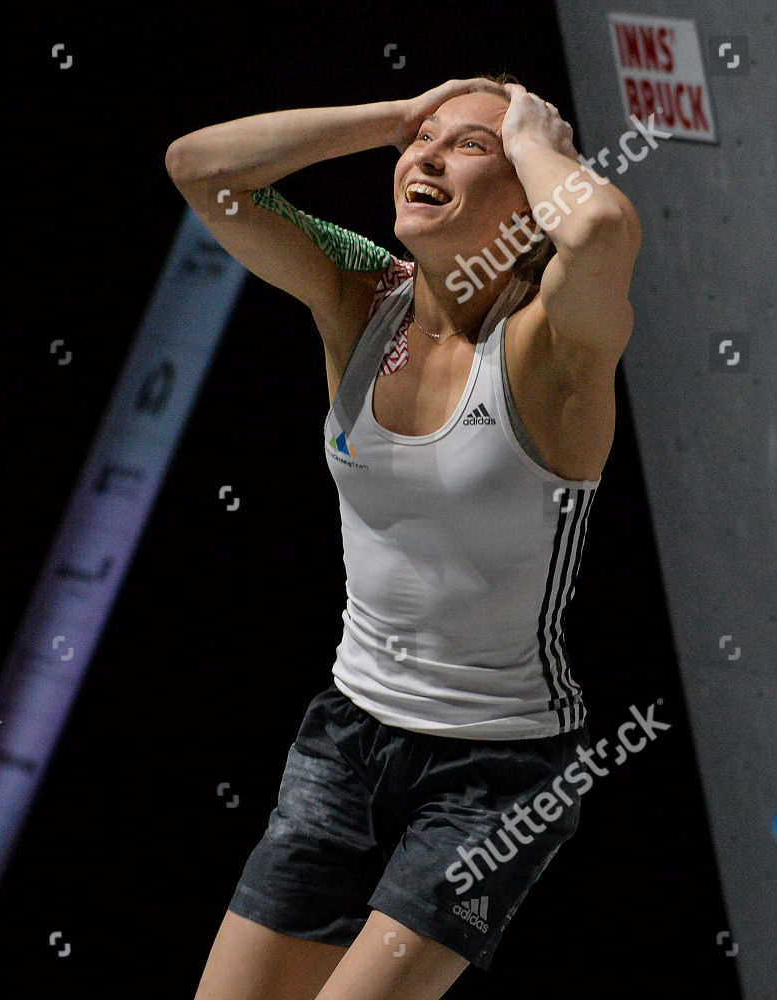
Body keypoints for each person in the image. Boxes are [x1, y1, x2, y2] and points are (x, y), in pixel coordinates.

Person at [165, 72, 642, 1000]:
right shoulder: (358, 296)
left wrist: (539, 137)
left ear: (529, 199)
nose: (424, 157)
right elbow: (200, 169)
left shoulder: (555, 348)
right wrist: (396, 117)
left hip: (497, 778)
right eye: (418, 147)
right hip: (345, 741)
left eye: (468, 148)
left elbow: (599, 231)